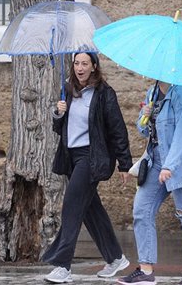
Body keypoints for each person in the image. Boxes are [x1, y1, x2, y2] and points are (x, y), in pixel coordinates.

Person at [42, 52, 133, 283]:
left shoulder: (104, 93)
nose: (80, 68)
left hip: (91, 157)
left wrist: (125, 164)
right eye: (76, 63)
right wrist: (58, 113)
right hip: (71, 156)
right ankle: (115, 257)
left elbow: (117, 130)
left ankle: (63, 265)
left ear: (94, 66)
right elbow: (59, 128)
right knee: (91, 211)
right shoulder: (68, 90)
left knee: (72, 206)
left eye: (84, 63)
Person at [118, 82, 182, 285]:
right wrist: (145, 115)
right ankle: (146, 270)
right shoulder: (152, 92)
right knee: (142, 210)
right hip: (156, 161)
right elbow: (145, 131)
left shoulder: (181, 96)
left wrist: (169, 166)